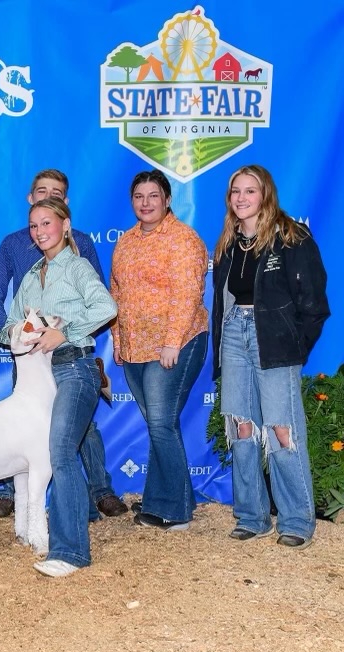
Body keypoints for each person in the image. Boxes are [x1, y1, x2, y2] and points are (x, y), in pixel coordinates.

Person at [0, 169, 125, 520]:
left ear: (64, 213)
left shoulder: (78, 258)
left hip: (70, 360)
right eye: (35, 224)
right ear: (30, 200)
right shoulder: (22, 259)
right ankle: (14, 495)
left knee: (74, 432)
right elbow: (1, 301)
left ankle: (97, 494)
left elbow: (101, 302)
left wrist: (68, 333)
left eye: (56, 195)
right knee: (28, 430)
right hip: (32, 362)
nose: (40, 231)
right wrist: (18, 339)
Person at [211, 165, 329, 549]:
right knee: (241, 426)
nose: (241, 198)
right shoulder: (229, 242)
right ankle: (252, 515)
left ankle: (296, 521)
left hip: (274, 343)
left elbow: (314, 305)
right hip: (233, 334)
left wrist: (293, 347)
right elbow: (221, 301)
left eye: (250, 190)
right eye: (235, 191)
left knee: (282, 429)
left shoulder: (292, 238)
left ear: (265, 195)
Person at [2, 199, 117, 578]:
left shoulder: (78, 266)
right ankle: (76, 522)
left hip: (74, 368)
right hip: (40, 378)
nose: (39, 231)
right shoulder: (33, 274)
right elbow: (8, 326)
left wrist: (61, 330)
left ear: (65, 225)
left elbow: (107, 307)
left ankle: (71, 552)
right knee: (59, 451)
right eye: (33, 225)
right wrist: (22, 332)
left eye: (46, 223)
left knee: (61, 451)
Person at [111, 169, 208, 531]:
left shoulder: (183, 240)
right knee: (158, 425)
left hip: (176, 343)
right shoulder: (126, 241)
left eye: (154, 195)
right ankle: (162, 501)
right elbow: (116, 293)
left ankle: (178, 511)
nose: (146, 203)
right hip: (135, 348)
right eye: (139, 196)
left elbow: (187, 295)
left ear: (167, 199)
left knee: (161, 423)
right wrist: (119, 340)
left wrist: (171, 342)